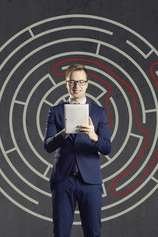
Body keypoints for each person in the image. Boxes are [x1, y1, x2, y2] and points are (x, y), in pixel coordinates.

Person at [44, 63, 111, 237]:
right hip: (62, 179)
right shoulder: (55, 111)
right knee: (61, 232)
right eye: (72, 82)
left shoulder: (99, 112)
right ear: (66, 84)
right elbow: (48, 145)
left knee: (93, 232)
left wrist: (93, 136)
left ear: (87, 84)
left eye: (81, 82)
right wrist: (63, 133)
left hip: (90, 180)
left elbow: (107, 148)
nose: (76, 86)